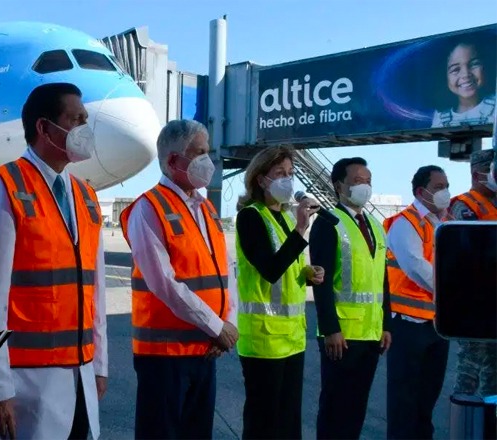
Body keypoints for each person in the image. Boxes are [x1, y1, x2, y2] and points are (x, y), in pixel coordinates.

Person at [0, 82, 108, 440]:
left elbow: (96, 292)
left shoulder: (86, 196)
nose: (85, 128)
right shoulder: (2, 188)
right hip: (25, 384)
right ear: (44, 128)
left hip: (79, 378)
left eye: (85, 119)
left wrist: (99, 365)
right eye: (76, 119)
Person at [119, 120, 237, 439]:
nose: (208, 161)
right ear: (173, 160)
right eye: (200, 153)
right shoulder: (148, 208)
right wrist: (216, 327)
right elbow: (164, 283)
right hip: (165, 356)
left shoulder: (206, 209)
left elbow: (227, 270)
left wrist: (228, 324)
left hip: (205, 349)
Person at [235, 145, 324, 440]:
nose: (288, 179)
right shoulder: (251, 217)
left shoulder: (284, 218)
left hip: (291, 338)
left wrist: (308, 274)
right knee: (264, 424)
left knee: (288, 423)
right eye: (279, 173)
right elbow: (270, 269)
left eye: (290, 173)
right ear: (261, 179)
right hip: (264, 340)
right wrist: (301, 230)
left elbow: (286, 266)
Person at [309, 157, 392, 439]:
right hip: (341, 335)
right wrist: (330, 329)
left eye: (368, 181)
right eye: (357, 181)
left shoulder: (375, 225)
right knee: (335, 409)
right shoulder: (328, 222)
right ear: (339, 185)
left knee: (356, 409)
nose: (364, 186)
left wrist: (386, 324)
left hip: (371, 333)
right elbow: (320, 281)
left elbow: (382, 279)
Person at [384, 165, 452, 439]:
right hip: (407, 325)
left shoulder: (442, 224)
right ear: (421, 192)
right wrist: (454, 292)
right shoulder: (406, 223)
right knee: (404, 400)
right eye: (439, 187)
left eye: (446, 186)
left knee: (427, 399)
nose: (445, 192)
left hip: (436, 324)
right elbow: (416, 267)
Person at [449, 149, 497, 399]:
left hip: (493, 299)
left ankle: (491, 413)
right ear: (479, 174)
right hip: (475, 301)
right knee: (470, 368)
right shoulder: (463, 205)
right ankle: (463, 415)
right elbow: (471, 248)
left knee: (494, 371)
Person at [432, 41, 495, 128]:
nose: (465, 74)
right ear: (443, 77)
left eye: (474, 64)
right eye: (455, 69)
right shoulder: (440, 116)